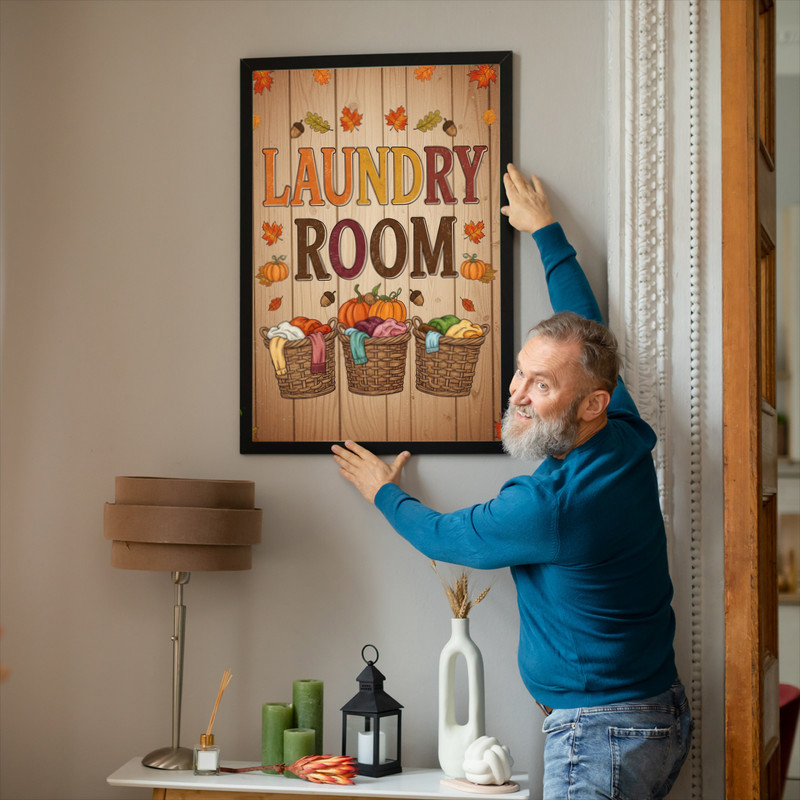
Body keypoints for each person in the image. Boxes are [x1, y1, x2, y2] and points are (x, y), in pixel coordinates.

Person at [331, 164, 692, 799]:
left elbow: (448, 537)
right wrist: (547, 232)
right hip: (650, 716)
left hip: (603, 737)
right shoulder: (625, 437)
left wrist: (383, 490)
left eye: (540, 386)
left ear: (590, 405)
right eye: (520, 372)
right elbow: (584, 329)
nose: (516, 394)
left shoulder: (551, 506)